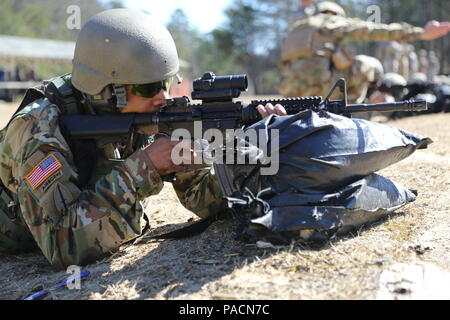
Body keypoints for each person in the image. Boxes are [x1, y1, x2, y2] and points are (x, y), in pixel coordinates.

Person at [0, 9, 286, 269]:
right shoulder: (40, 129)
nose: (164, 98)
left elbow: (205, 199)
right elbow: (64, 247)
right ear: (109, 91)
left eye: (165, 83)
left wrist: (251, 149)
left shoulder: (154, 116)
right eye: (149, 88)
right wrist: (143, 168)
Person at [278, 1, 450, 103]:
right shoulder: (331, 21)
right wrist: (420, 33)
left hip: (291, 95)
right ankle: (353, 110)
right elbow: (372, 30)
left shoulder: (296, 29)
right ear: (333, 14)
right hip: (320, 91)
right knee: (369, 64)